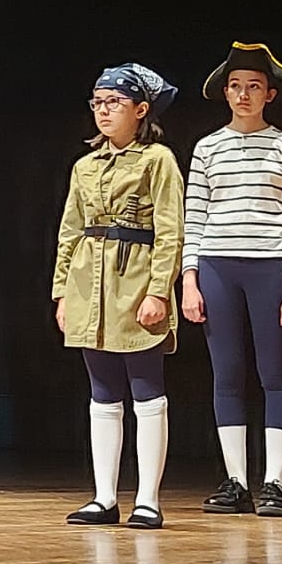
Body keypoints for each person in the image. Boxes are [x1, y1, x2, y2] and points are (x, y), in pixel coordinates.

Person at [181, 43, 282, 518]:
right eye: (235, 86)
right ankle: (236, 480)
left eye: (253, 86)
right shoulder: (207, 147)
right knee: (227, 373)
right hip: (217, 264)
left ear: (269, 94)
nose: (243, 94)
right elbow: (193, 218)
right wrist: (189, 280)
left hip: (270, 265)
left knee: (275, 372)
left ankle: (273, 482)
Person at [56, 65, 183, 529]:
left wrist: (159, 292)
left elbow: (170, 231)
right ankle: (104, 496)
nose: (103, 111)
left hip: (136, 282)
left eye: (114, 102)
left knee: (146, 389)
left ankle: (147, 498)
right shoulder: (84, 166)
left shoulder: (157, 160)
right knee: (102, 393)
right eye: (97, 102)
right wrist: (62, 293)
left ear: (141, 109)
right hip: (90, 285)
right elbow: (70, 231)